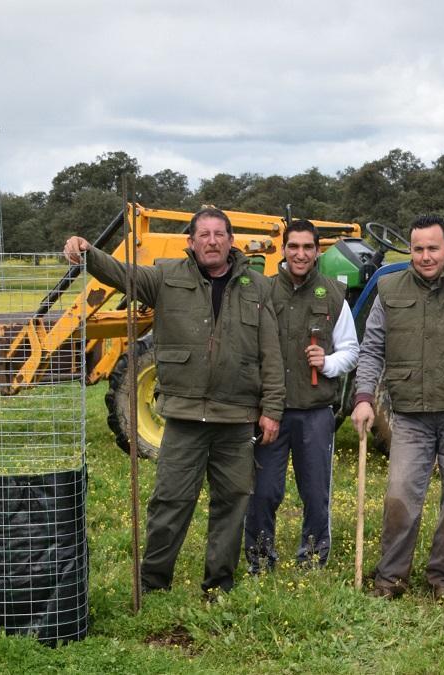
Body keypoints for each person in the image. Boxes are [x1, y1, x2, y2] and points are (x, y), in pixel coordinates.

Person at [63, 207, 285, 597]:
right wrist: (88, 253)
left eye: (219, 234)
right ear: (191, 242)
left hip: (236, 420)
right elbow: (123, 275)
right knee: (170, 502)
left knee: (231, 504)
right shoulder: (166, 277)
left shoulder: (257, 287)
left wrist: (272, 410)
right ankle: (153, 582)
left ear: (231, 241)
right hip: (184, 418)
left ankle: (219, 585)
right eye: (204, 235)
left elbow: (272, 353)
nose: (212, 241)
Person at [351, 214, 444, 601]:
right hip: (409, 416)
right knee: (401, 494)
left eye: (432, 248)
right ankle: (390, 578)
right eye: (418, 248)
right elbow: (371, 349)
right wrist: (364, 397)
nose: (424, 256)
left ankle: (443, 577)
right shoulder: (388, 289)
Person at [243, 219, 359, 573]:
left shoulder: (332, 294)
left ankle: (312, 560)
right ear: (283, 249)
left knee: (315, 493)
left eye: (308, 247)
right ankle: (261, 561)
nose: (301, 254)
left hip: (315, 412)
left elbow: (352, 351)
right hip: (270, 413)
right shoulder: (263, 292)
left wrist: (327, 363)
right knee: (263, 491)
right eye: (294, 246)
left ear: (318, 251)